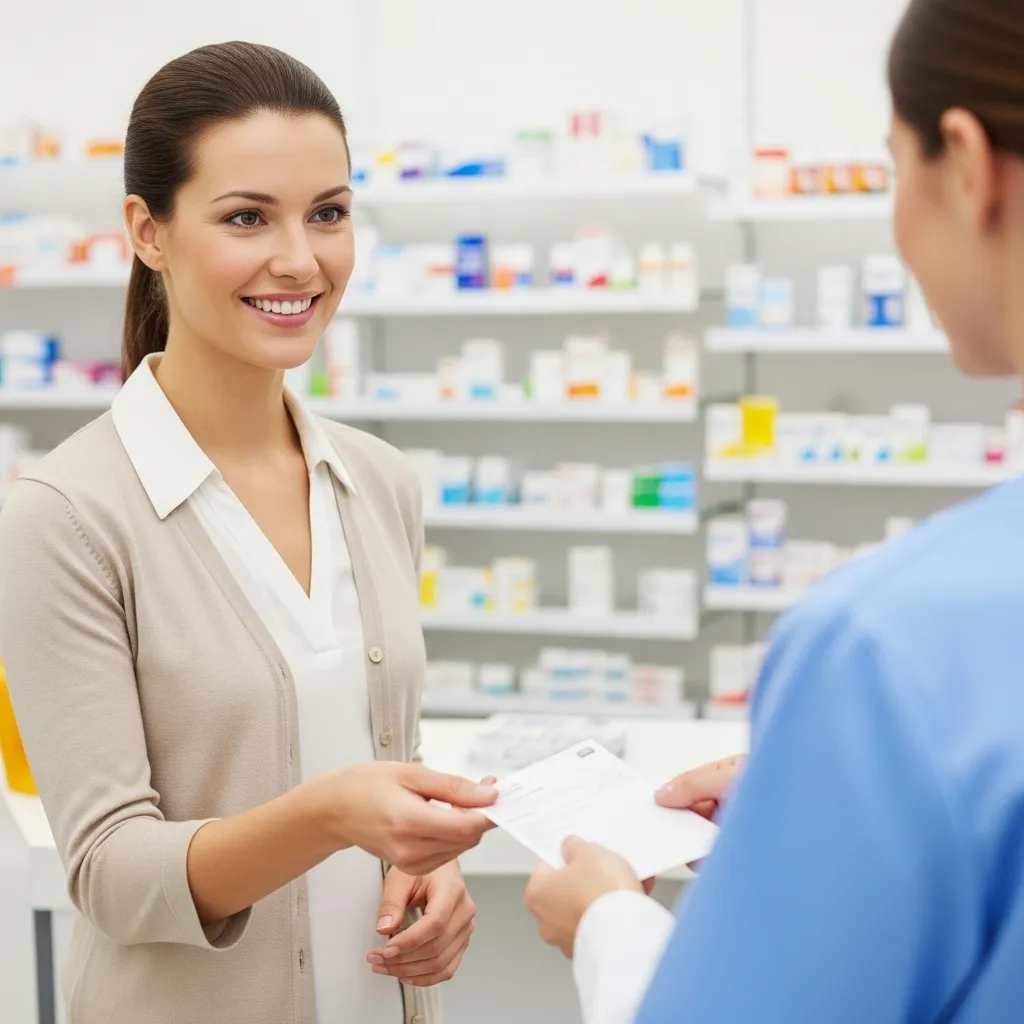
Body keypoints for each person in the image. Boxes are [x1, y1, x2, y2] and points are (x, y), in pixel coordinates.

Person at [525, 0, 1024, 1020]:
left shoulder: (884, 648)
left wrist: (610, 925)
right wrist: (847, 802)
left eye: (895, 167)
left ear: (966, 165)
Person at [0, 42, 499, 1024]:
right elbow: (108, 869)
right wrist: (327, 814)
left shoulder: (377, 481)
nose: (300, 260)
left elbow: (379, 752)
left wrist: (425, 868)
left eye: (328, 212)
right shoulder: (64, 515)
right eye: (245, 218)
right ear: (148, 231)